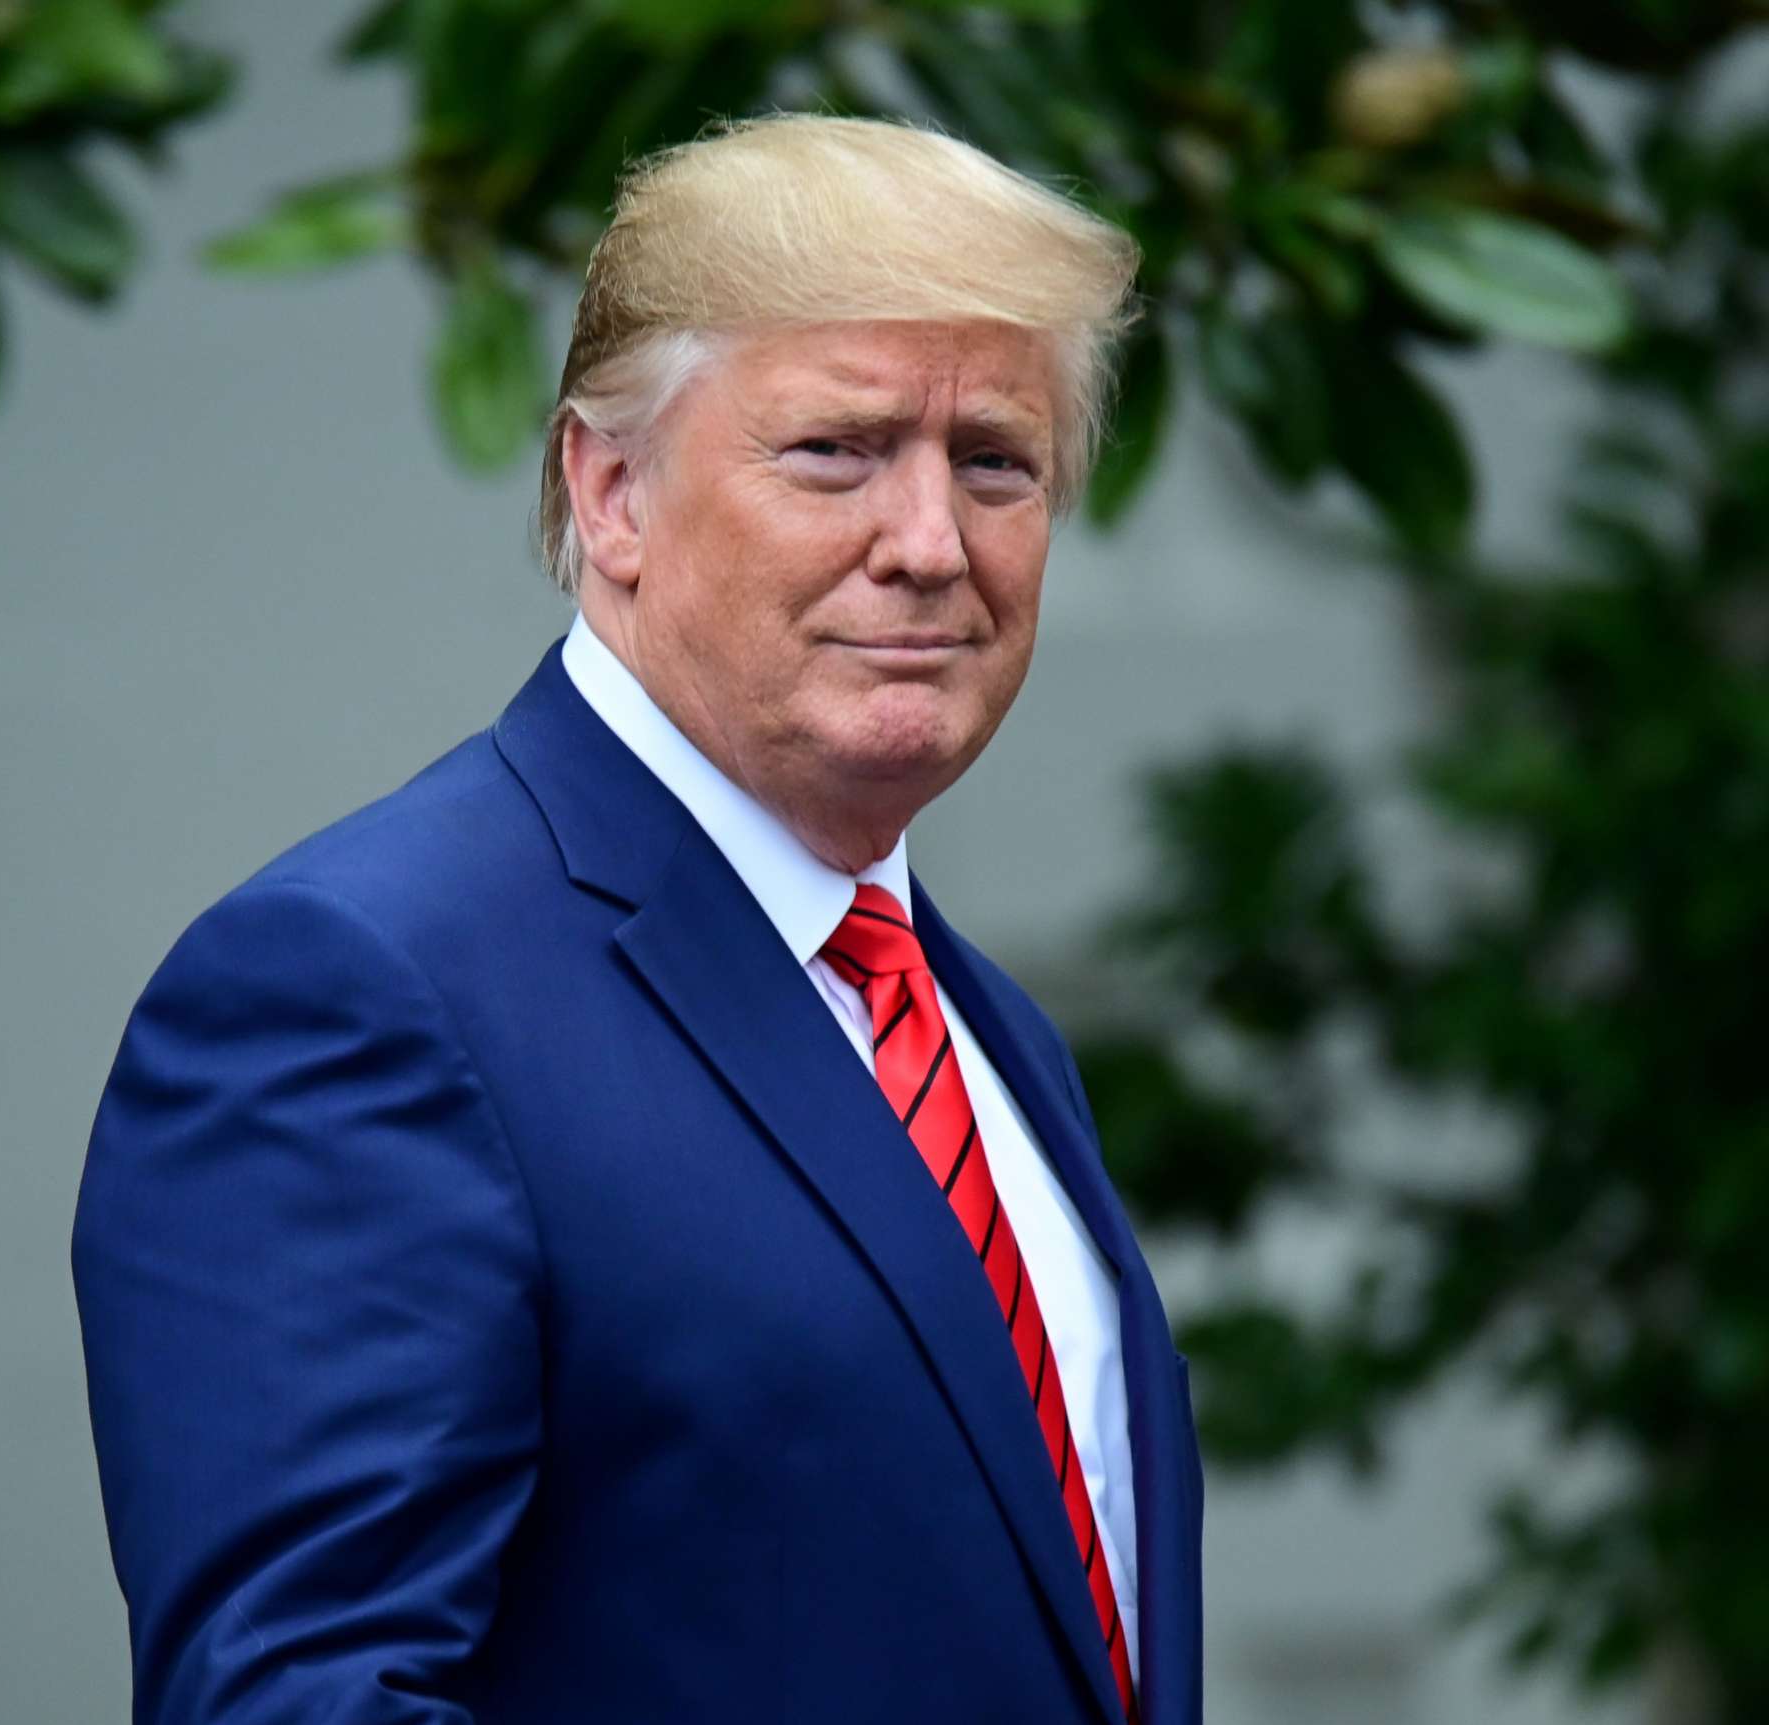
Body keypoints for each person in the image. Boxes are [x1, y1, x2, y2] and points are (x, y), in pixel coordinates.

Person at [72, 112, 1202, 1725]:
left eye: (995, 463)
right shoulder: (357, 989)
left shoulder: (984, 1034)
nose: (932, 544)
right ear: (609, 492)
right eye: (837, 449)